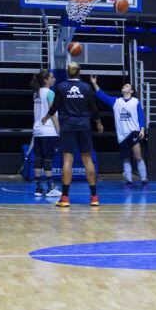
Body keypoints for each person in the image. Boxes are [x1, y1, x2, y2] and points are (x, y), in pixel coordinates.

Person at [42, 62, 103, 207]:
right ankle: (94, 197)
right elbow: (93, 108)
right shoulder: (87, 87)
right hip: (83, 125)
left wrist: (46, 117)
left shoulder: (61, 87)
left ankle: (65, 198)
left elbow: (55, 106)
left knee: (67, 160)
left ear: (68, 73)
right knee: (87, 159)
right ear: (79, 72)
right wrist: (98, 122)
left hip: (68, 126)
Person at [90, 75, 149, 190]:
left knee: (138, 156)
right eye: (124, 85)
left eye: (127, 86)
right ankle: (128, 181)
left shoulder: (136, 101)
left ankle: (144, 180)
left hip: (133, 132)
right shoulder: (116, 102)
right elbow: (101, 95)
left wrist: (142, 128)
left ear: (131, 91)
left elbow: (141, 116)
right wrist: (94, 83)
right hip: (122, 135)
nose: (124, 86)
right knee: (126, 158)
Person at [30, 69, 62, 197]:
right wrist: (59, 131)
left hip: (37, 130)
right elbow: (52, 113)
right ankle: (50, 188)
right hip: (48, 130)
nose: (54, 79)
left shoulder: (36, 93)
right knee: (48, 159)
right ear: (46, 80)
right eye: (52, 77)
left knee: (38, 158)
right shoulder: (50, 93)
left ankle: (38, 188)